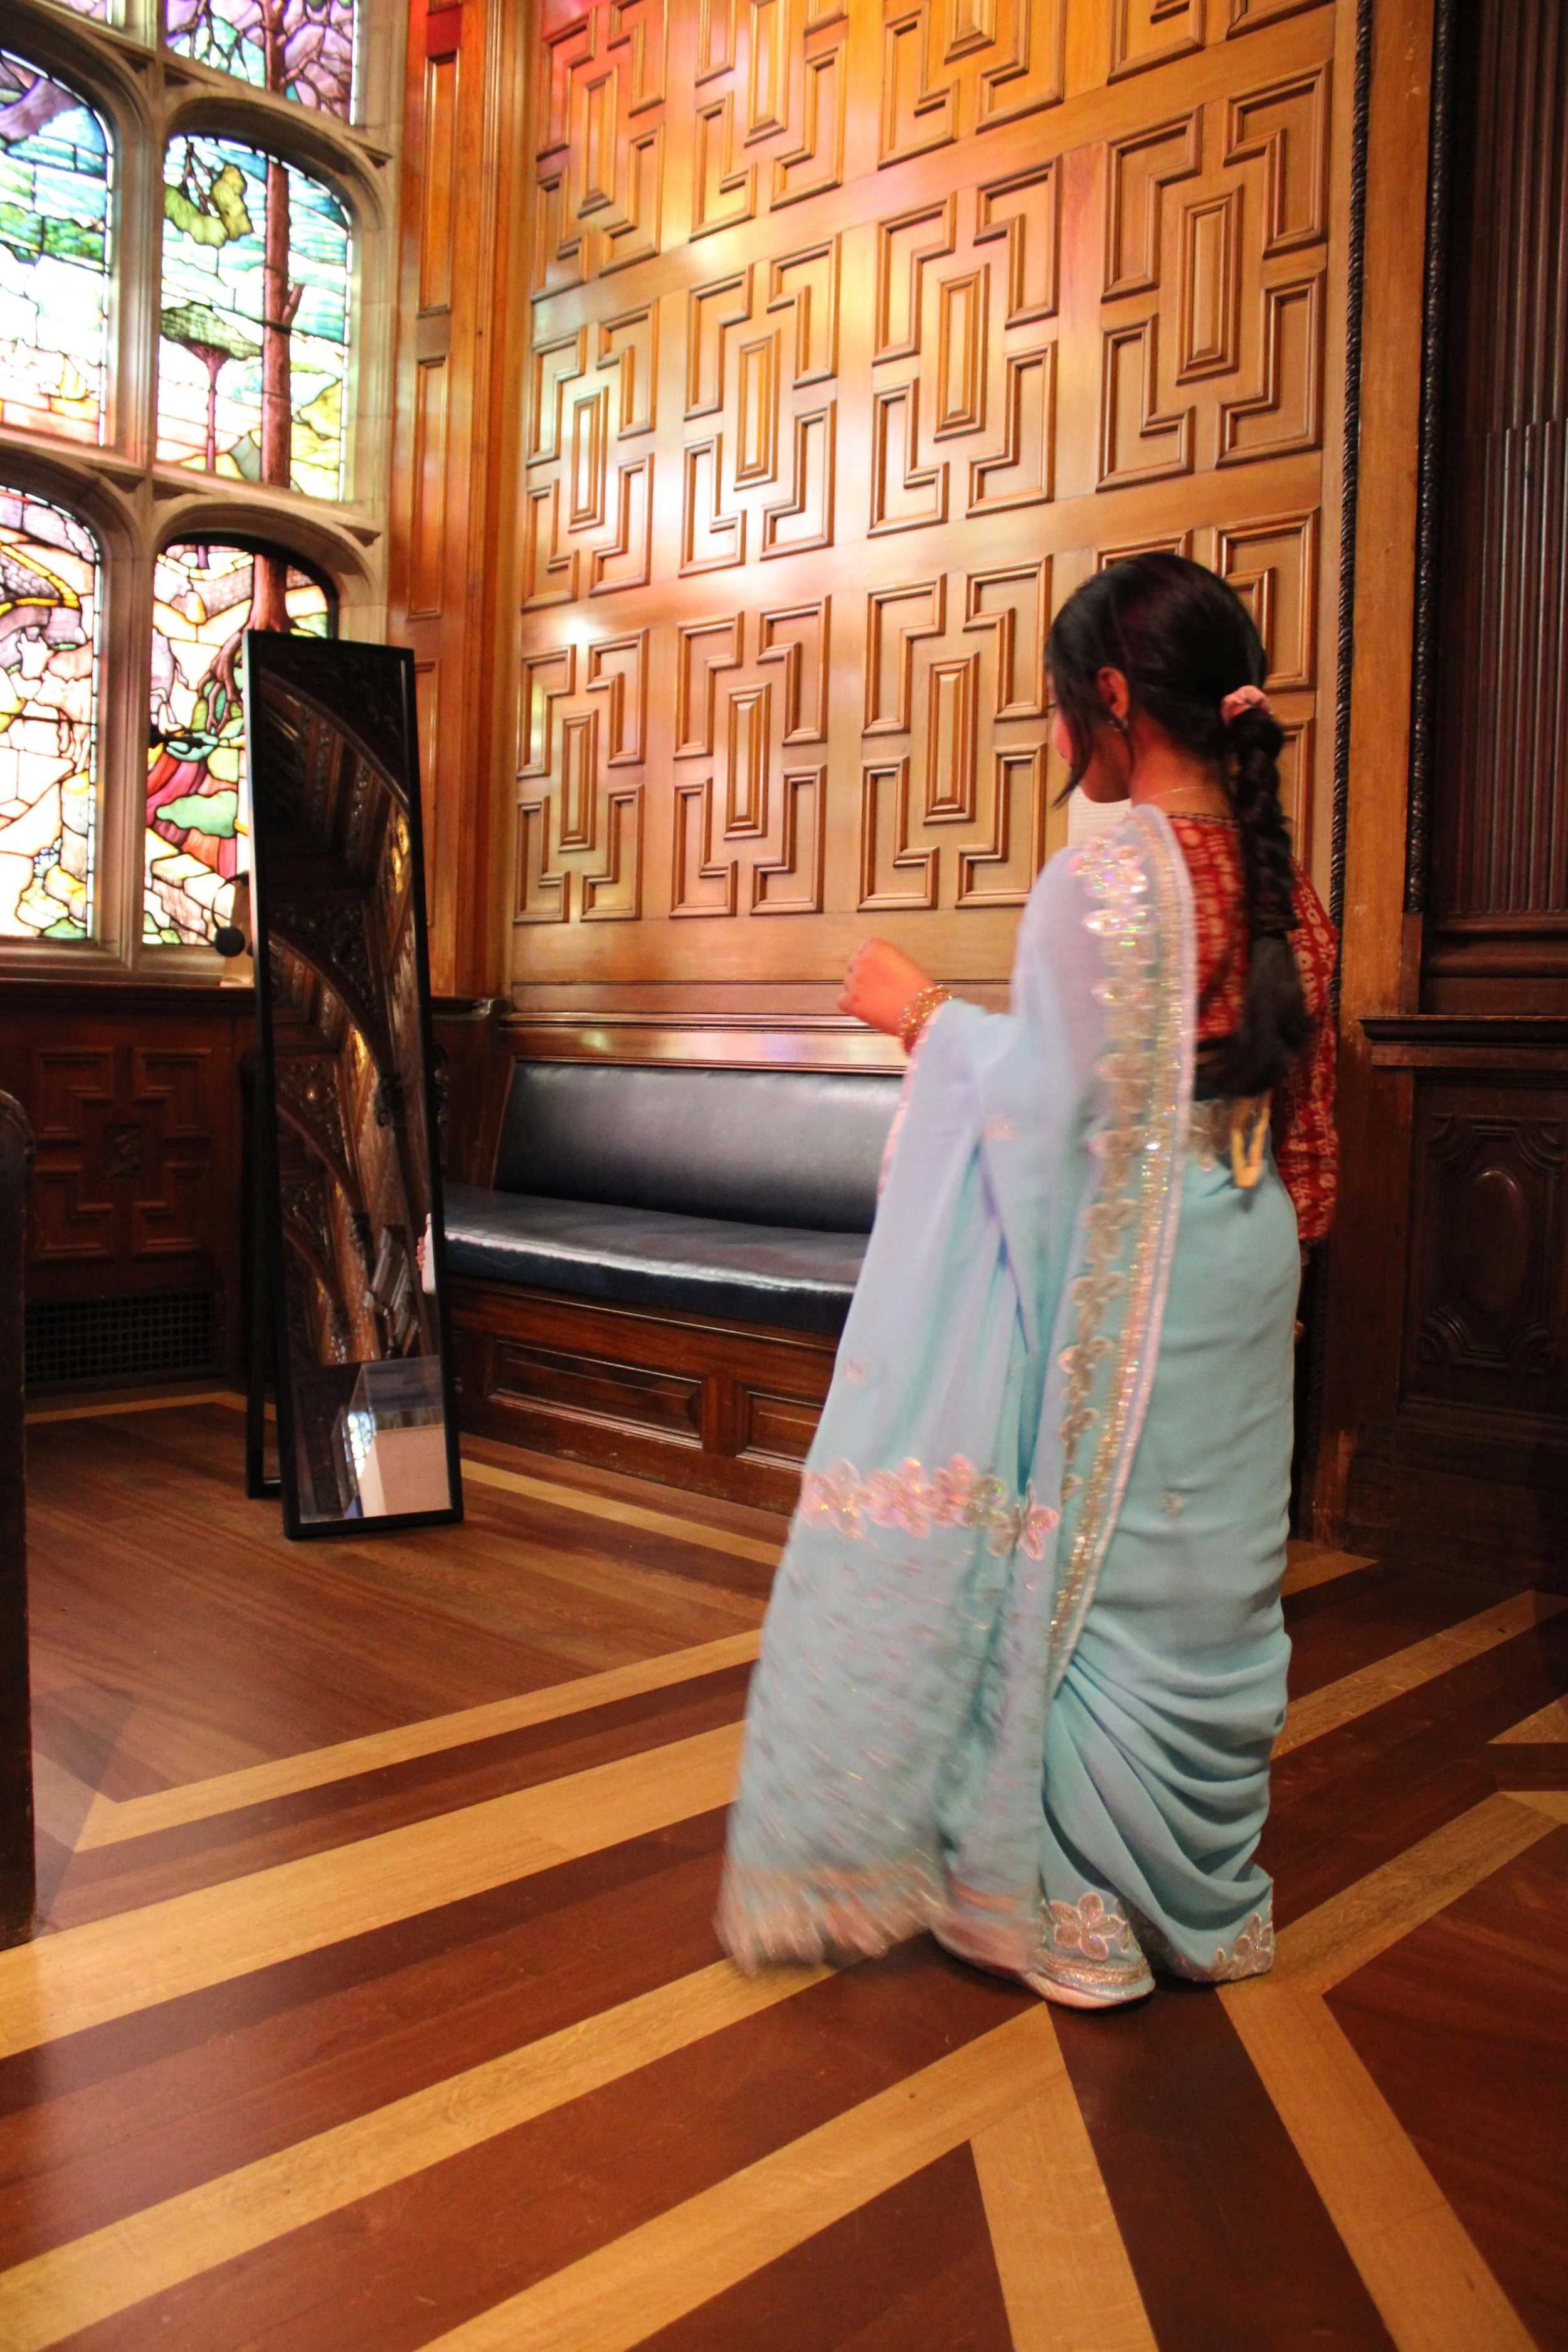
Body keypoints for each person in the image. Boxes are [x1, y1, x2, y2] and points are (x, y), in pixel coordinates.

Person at [716, 553, 1337, 2007]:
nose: (1061, 738)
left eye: (1061, 707)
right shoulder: (1281, 882)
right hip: (1244, 1250)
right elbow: (1291, 1140)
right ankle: (1199, 1894)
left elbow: (1051, 1122)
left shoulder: (1103, 878)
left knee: (1100, 1569)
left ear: (1110, 697)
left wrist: (921, 1015)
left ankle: (1077, 1894)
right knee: (1207, 1574)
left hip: (1142, 1265)